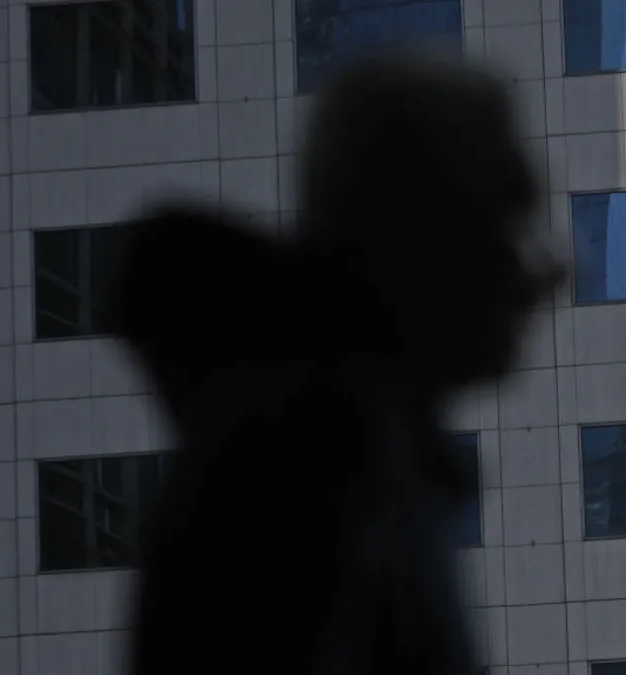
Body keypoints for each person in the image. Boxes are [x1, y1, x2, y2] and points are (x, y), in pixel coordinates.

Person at [112, 53, 560, 675]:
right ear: (425, 240)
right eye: (507, 222)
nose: (547, 270)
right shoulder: (308, 465)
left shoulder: (334, 447)